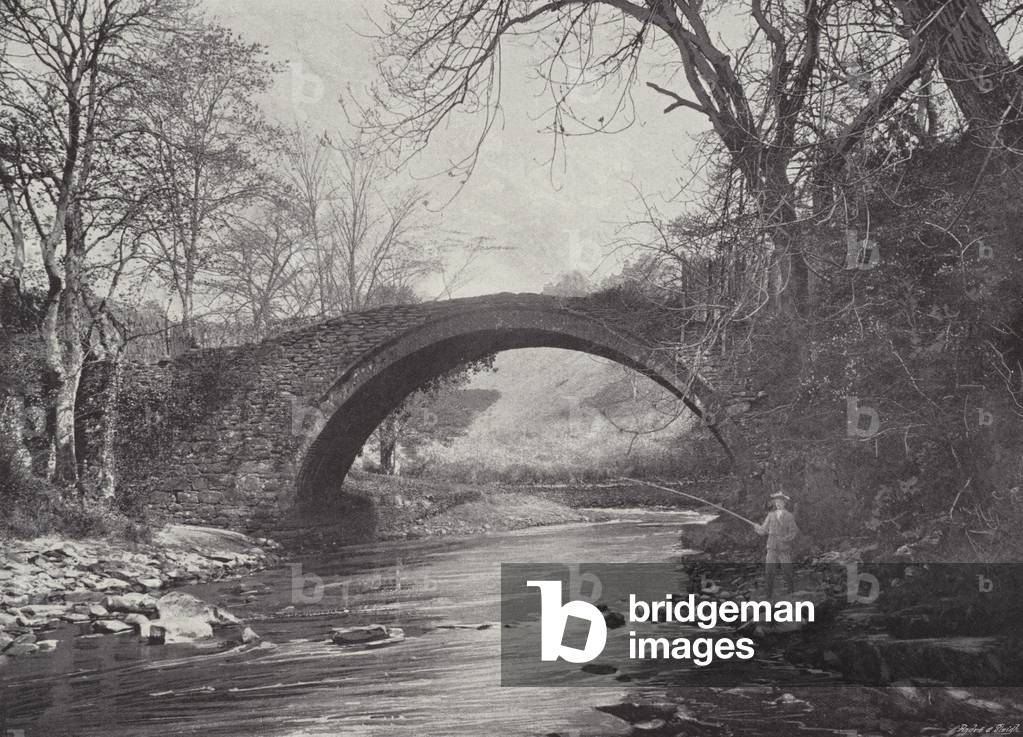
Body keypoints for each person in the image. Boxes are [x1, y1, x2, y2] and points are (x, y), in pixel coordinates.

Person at [754, 491, 798, 598]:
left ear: (784, 503)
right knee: (769, 571)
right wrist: (757, 528)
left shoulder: (789, 516)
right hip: (771, 547)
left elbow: (794, 531)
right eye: (776, 501)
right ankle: (768, 596)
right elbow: (763, 530)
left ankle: (792, 593)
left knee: (787, 571)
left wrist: (785, 539)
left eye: (780, 501)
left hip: (784, 548)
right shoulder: (770, 515)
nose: (778, 503)